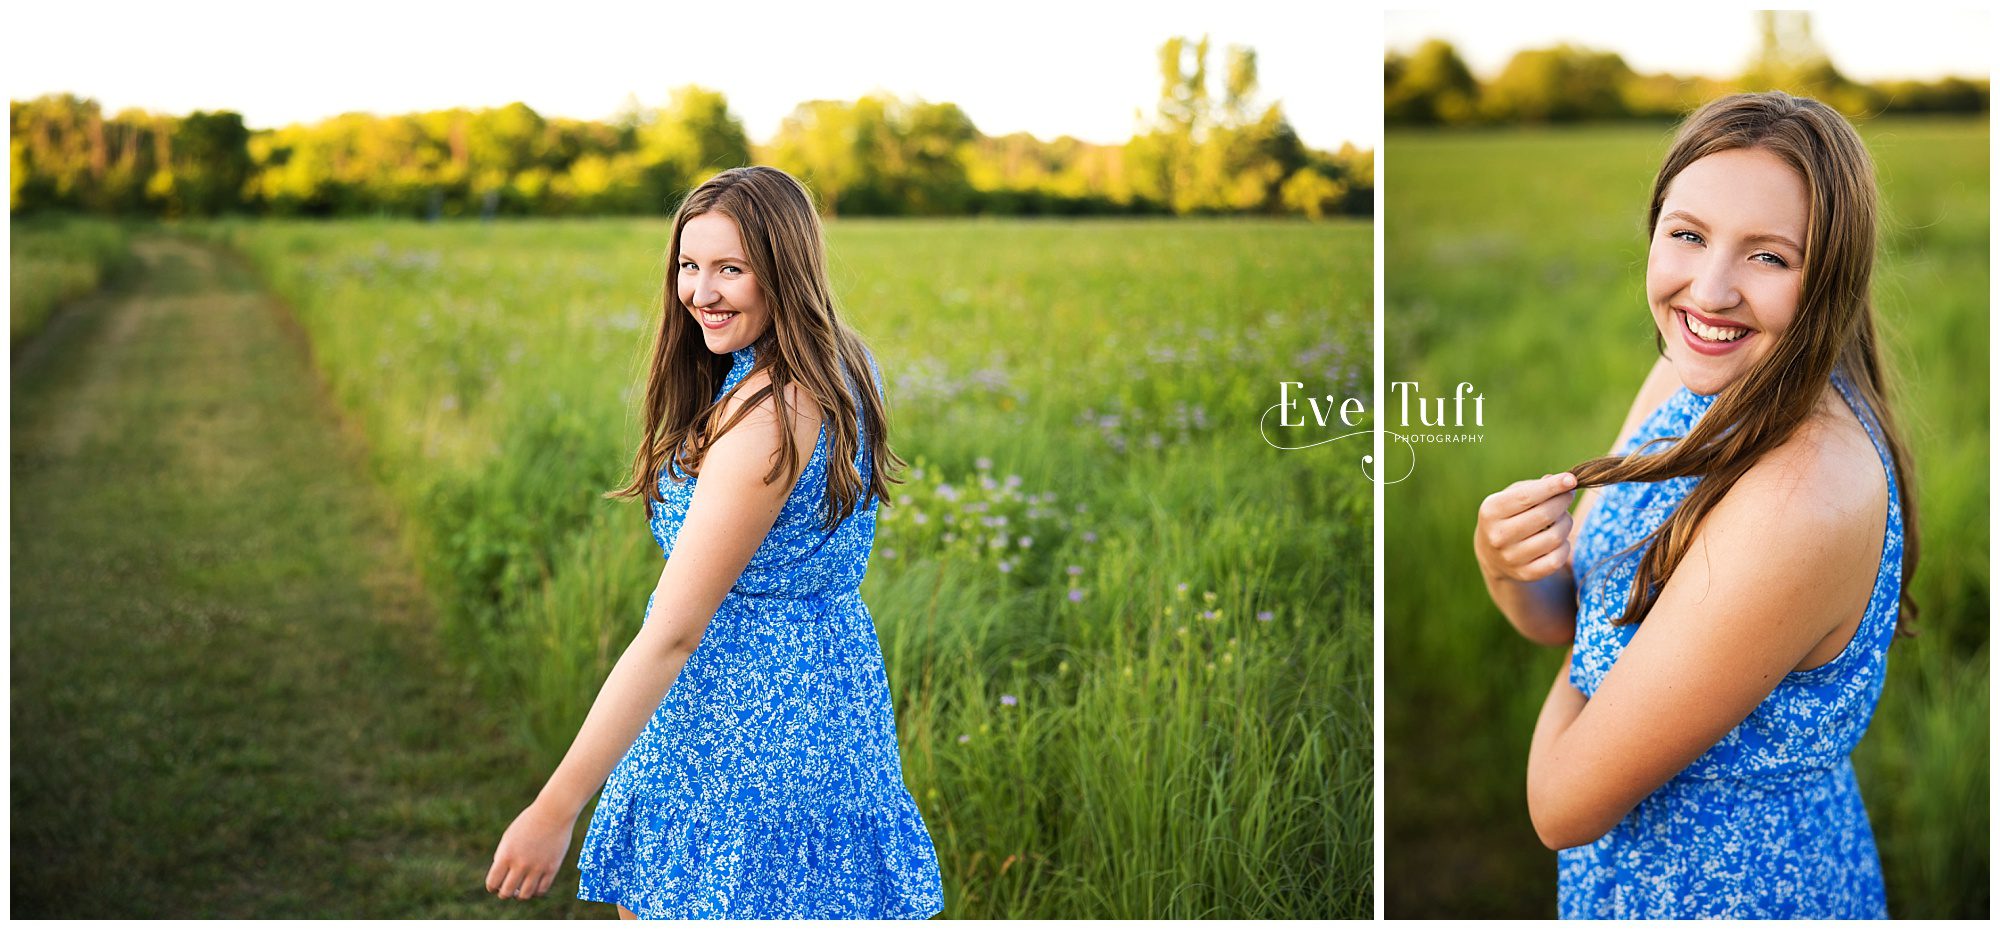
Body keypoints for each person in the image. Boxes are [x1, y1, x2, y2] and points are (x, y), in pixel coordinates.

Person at [1471, 92, 1918, 919]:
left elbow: (1562, 806)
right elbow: (1577, 618)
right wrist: (1506, 567)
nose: (1708, 291)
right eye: (1687, 234)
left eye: (1769, 257)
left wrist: (1595, 676)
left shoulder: (1801, 496)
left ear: (1830, 277)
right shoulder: (1687, 377)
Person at [484, 166, 945, 919]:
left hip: (736, 730)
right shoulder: (843, 364)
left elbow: (673, 631)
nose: (700, 292)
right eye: (688, 266)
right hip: (827, 700)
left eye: (730, 268)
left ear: (784, 271)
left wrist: (554, 807)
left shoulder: (769, 413)